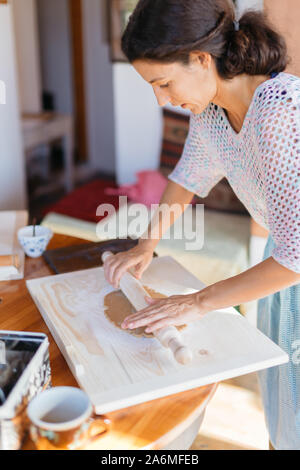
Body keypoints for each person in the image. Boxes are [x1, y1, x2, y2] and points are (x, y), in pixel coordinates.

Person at [103, 0, 300, 449]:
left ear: (200, 58)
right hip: (285, 264)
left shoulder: (280, 113)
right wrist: (144, 245)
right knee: (284, 411)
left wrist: (197, 302)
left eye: (164, 82)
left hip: (292, 262)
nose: (162, 98)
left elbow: (298, 255)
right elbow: (187, 177)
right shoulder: (211, 111)